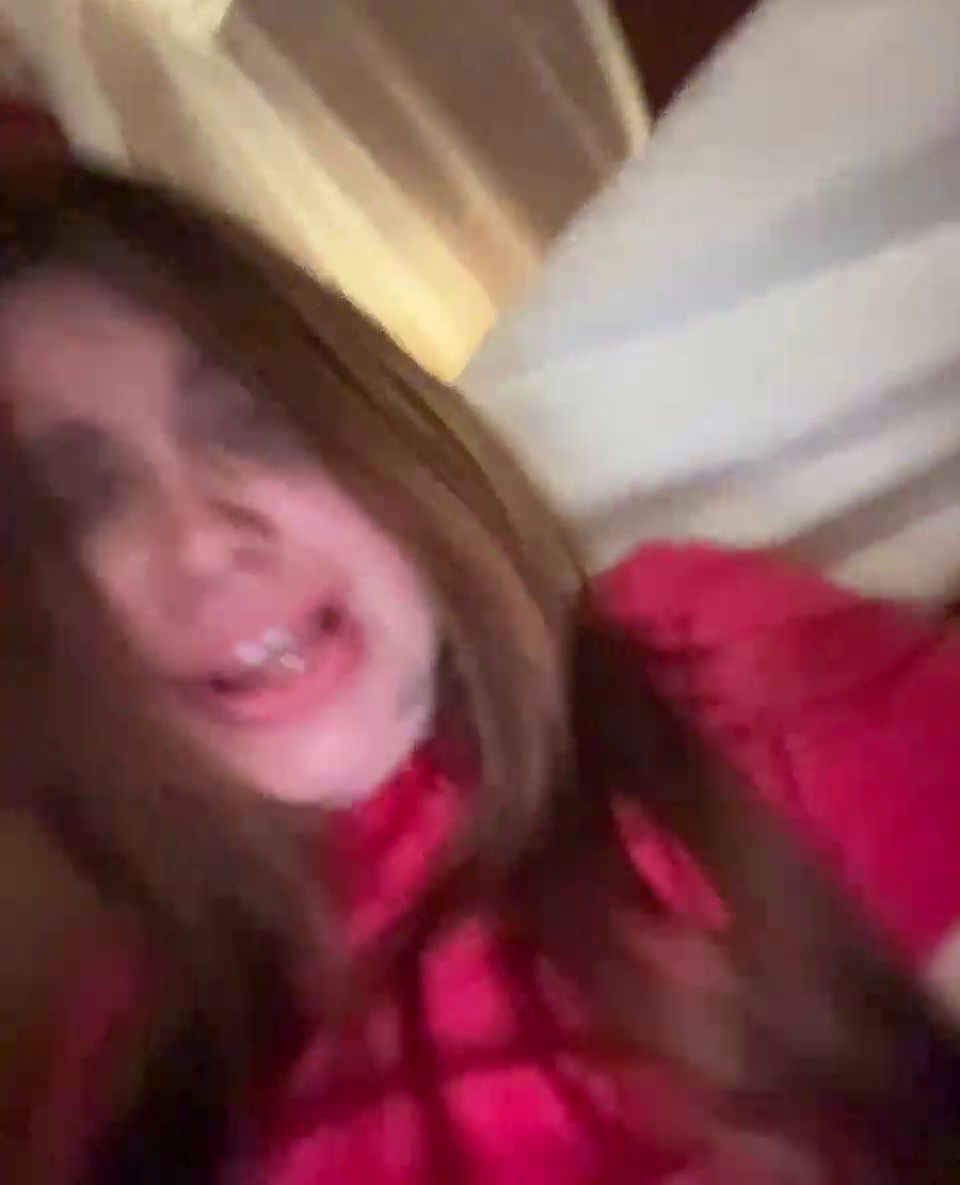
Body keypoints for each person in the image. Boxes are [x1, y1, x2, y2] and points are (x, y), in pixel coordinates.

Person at [1, 163, 960, 1185]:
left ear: (383, 439)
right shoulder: (119, 1075)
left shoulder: (698, 666)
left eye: (251, 425)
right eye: (80, 506)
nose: (202, 541)